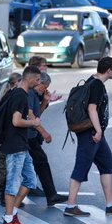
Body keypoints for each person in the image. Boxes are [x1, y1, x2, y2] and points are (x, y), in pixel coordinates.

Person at [64, 57, 112, 217]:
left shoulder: (92, 80)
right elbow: (92, 108)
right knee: (81, 167)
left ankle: (111, 204)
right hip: (91, 133)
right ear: (109, 70)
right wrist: (98, 130)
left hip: (95, 133)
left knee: (107, 165)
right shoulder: (97, 85)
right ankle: (70, 205)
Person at [0, 66, 41, 224]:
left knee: (30, 180)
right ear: (29, 78)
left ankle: (12, 213)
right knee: (13, 183)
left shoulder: (22, 94)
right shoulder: (20, 96)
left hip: (22, 145)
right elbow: (16, 121)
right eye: (37, 80)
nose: (38, 83)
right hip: (14, 145)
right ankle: (8, 220)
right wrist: (33, 123)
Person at [27, 72, 68, 206]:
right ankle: (50, 195)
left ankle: (51, 195)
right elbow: (31, 116)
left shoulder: (35, 95)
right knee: (35, 162)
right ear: (38, 82)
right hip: (25, 136)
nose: (45, 89)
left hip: (30, 135)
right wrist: (44, 133)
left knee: (39, 161)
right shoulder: (29, 94)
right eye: (44, 86)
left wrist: (45, 100)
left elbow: (38, 114)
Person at [0, 72, 22, 205]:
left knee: (1, 165)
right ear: (16, 83)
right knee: (6, 165)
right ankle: (3, 194)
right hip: (4, 137)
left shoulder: (4, 96)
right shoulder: (12, 97)